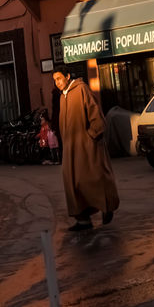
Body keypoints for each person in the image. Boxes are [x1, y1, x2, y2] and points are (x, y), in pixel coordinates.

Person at [52, 66, 119, 231]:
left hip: (87, 147)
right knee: (73, 183)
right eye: (54, 80)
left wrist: (92, 136)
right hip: (70, 149)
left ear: (68, 76)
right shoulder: (62, 96)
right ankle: (83, 220)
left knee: (94, 178)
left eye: (59, 78)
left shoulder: (81, 89)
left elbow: (95, 114)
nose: (57, 82)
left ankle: (107, 207)